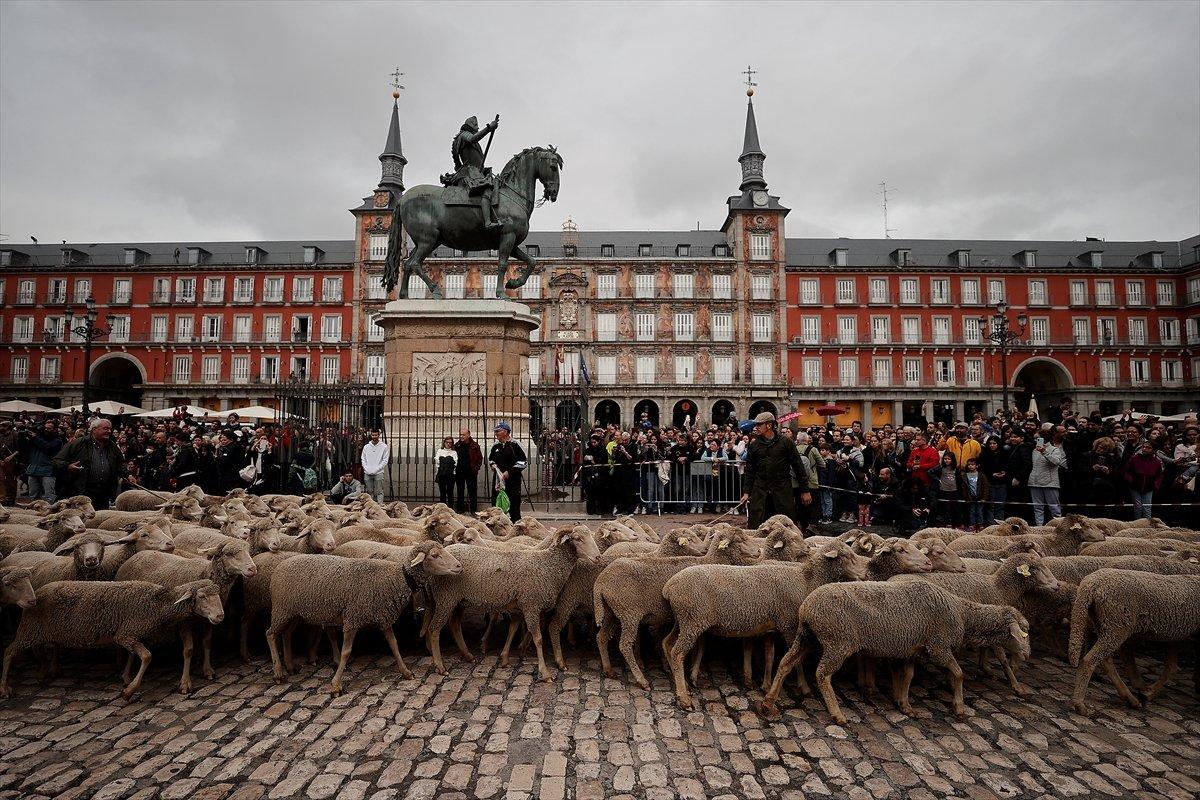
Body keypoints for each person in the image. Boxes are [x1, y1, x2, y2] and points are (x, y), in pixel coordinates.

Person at [740, 412, 811, 530]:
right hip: (760, 491)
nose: (756, 428)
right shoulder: (754, 445)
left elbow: (798, 466)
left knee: (785, 527)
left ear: (769, 425)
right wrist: (746, 492)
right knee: (757, 526)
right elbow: (750, 471)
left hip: (782, 490)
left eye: (759, 425)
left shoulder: (786, 442)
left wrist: (805, 490)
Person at [442, 115, 503, 231]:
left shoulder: (464, 137)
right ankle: (488, 222)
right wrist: (489, 128)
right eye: (476, 125)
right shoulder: (464, 135)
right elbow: (473, 139)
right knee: (487, 190)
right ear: (470, 125)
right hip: (471, 173)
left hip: (476, 172)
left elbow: (458, 161)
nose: (478, 128)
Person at [52, 418, 125, 510]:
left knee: (100, 517)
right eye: (105, 429)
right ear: (94, 429)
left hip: (103, 492)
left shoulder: (112, 446)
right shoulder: (79, 443)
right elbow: (57, 461)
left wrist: (127, 475)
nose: (109, 431)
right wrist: (68, 466)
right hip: (83, 490)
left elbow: (120, 464)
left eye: (110, 429)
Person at [488, 421, 527, 522]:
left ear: (505, 432)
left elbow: (523, 462)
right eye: (495, 431)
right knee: (496, 505)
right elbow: (491, 459)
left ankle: (515, 523)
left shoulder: (515, 445)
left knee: (513, 505)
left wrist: (509, 472)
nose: (495, 433)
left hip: (512, 482)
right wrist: (492, 465)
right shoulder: (496, 446)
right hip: (498, 481)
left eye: (498, 431)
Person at [1029, 424, 1067, 525]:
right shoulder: (1034, 451)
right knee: (1037, 507)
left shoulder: (1055, 449)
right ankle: (1039, 527)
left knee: (1054, 507)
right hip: (1034, 482)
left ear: (1044, 438)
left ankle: (1058, 527)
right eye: (1035, 438)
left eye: (1038, 438)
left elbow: (1056, 462)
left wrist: (1044, 452)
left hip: (1050, 483)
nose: (1036, 440)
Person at [24, 420, 64, 502]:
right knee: (33, 496)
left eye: (49, 428)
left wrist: (35, 437)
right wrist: (23, 438)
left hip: (48, 471)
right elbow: (24, 449)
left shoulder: (58, 440)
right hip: (33, 469)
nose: (46, 430)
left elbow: (48, 448)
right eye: (45, 428)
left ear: (55, 430)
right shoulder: (37, 438)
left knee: (48, 497)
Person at [1123, 440, 1164, 520]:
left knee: (1147, 508)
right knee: (1138, 508)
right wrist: (1131, 481)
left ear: (1154, 450)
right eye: (1143, 447)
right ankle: (1138, 525)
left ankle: (1148, 526)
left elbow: (1159, 476)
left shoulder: (1157, 462)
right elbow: (1126, 471)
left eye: (1148, 447)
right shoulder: (1135, 458)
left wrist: (1155, 485)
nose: (1144, 449)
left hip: (1148, 489)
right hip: (1135, 487)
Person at [452, 428, 483, 513]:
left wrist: (476, 468)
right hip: (459, 472)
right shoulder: (457, 445)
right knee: (460, 491)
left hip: (471, 472)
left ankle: (473, 510)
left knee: (472, 491)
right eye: (460, 434)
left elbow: (480, 458)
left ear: (468, 435)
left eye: (463, 435)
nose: (461, 436)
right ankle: (460, 509)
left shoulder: (474, 445)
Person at [959, 458, 990, 530]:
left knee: (979, 511)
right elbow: (964, 488)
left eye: (972, 464)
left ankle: (980, 525)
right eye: (969, 465)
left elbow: (985, 487)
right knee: (972, 511)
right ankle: (972, 525)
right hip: (971, 497)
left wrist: (984, 498)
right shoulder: (965, 475)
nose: (970, 466)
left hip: (980, 497)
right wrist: (966, 497)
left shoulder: (981, 475)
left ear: (977, 466)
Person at [361, 429, 390, 503]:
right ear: (371, 435)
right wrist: (366, 468)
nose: (374, 436)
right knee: (369, 491)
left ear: (379, 435)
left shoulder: (384, 446)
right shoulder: (366, 447)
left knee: (379, 491)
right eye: (373, 435)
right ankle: (370, 505)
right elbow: (363, 459)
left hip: (379, 472)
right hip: (367, 472)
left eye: (376, 435)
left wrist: (377, 469)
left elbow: (385, 460)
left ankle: (380, 505)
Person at [434, 437, 458, 506]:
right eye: (447, 442)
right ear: (444, 443)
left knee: (450, 492)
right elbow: (437, 462)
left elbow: (455, 463)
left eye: (450, 442)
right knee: (442, 492)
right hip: (441, 474)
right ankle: (442, 507)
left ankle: (450, 507)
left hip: (450, 475)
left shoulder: (454, 452)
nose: (448, 444)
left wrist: (446, 462)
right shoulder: (440, 451)